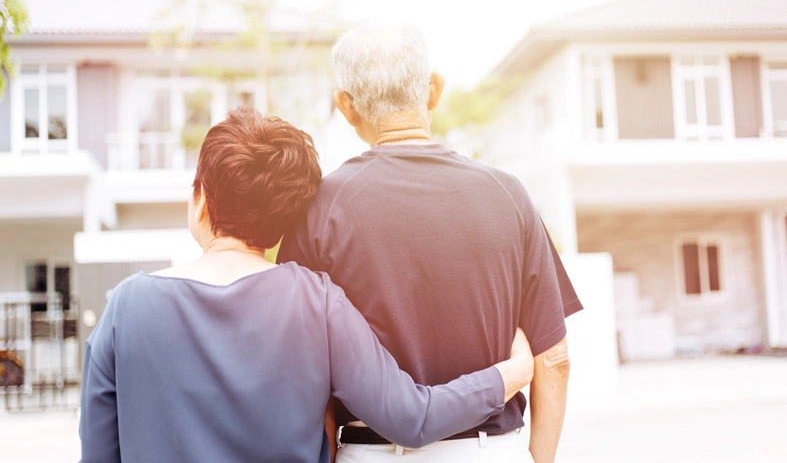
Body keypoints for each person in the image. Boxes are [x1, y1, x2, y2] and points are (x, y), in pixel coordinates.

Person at [78, 107, 534, 463]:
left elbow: (99, 455)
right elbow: (410, 418)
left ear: (200, 202)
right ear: (282, 226)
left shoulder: (127, 308)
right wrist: (510, 374)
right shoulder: (317, 302)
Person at [278, 22, 583, 463]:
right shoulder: (508, 195)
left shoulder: (318, 210)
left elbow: (307, 377)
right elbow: (554, 360)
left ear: (346, 107)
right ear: (434, 90)